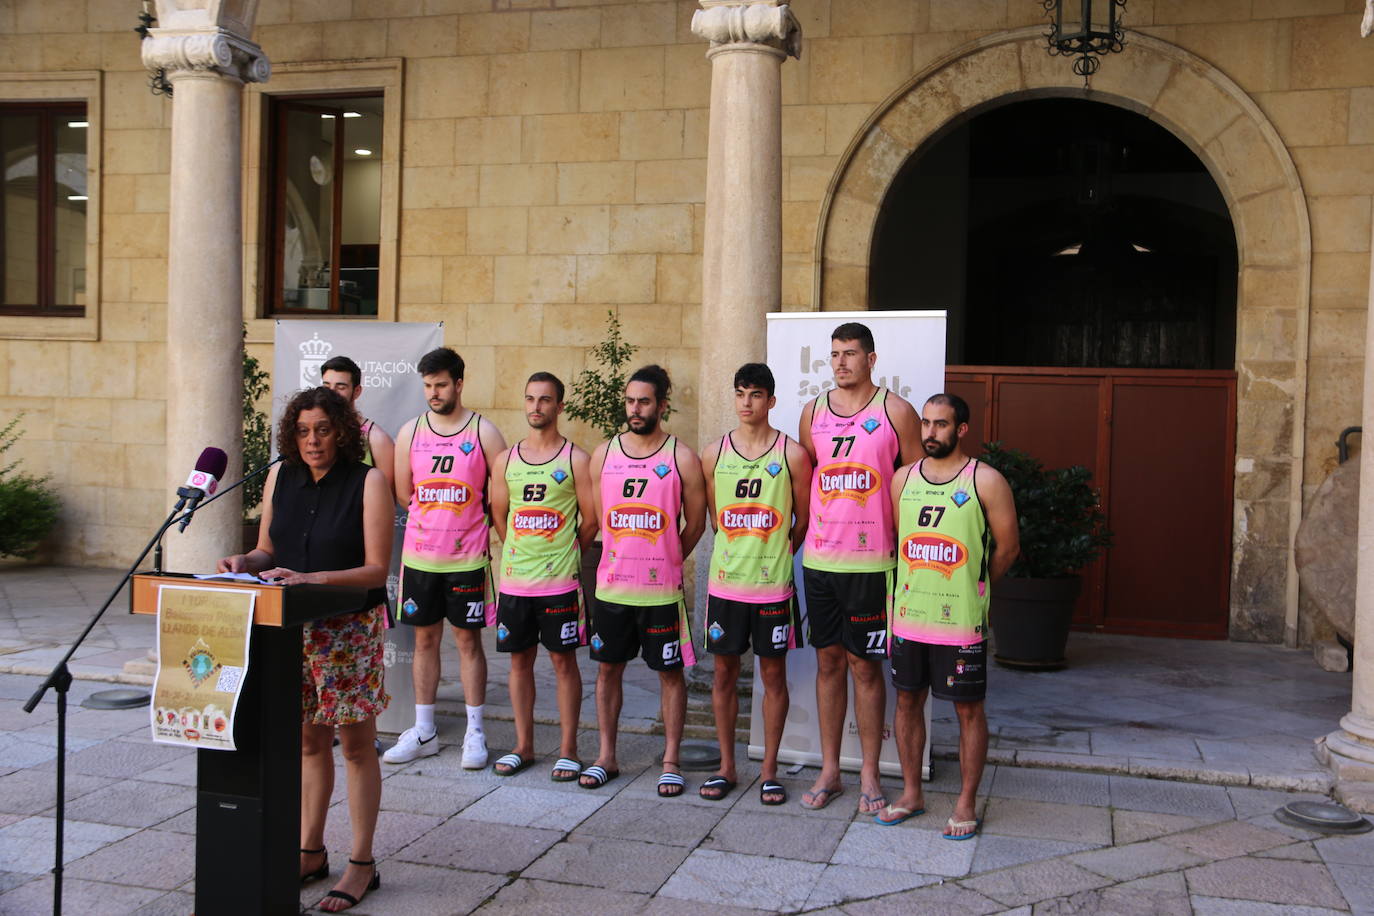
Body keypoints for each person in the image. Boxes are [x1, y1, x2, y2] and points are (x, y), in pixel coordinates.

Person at [217, 386, 391, 913]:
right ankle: (310, 851)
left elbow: (377, 568)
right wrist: (245, 561)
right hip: (291, 627)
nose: (312, 440)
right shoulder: (278, 476)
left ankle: (362, 863)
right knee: (308, 744)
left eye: (322, 429)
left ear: (341, 430)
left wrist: (312, 576)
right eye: (302, 430)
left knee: (356, 746)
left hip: (346, 631)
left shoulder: (369, 481)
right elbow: (268, 547)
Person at [880, 393, 1019, 838]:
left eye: (941, 425)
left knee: (967, 711)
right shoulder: (902, 480)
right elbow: (901, 543)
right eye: (925, 423)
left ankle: (965, 801)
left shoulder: (987, 480)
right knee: (906, 701)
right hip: (909, 617)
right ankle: (910, 793)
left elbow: (1007, 548)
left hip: (959, 621)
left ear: (960, 429)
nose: (929, 433)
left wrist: (975, 588)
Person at [798, 322, 920, 814]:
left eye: (850, 354)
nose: (841, 362)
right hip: (820, 558)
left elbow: (915, 485)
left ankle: (869, 771)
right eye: (834, 355)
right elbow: (805, 476)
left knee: (865, 667)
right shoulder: (812, 412)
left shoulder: (896, 412)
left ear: (872, 358)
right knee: (828, 663)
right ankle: (831, 770)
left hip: (872, 563)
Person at [582, 365, 706, 797]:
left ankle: (670, 760)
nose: (636, 409)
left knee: (670, 674)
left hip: (660, 591)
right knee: (607, 672)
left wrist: (669, 558)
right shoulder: (604, 455)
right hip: (613, 588)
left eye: (645, 402)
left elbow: (696, 524)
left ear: (662, 406)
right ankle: (606, 756)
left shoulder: (681, 457)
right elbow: (598, 521)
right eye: (631, 401)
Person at [382, 347, 507, 768]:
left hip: (467, 559)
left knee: (468, 641)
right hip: (420, 559)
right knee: (424, 640)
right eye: (428, 386)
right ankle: (425, 730)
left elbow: (499, 496)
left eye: (440, 385)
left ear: (459, 383)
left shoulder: (484, 433)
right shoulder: (410, 432)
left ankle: (475, 731)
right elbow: (404, 492)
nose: (433, 393)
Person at [698, 363, 812, 804]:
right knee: (724, 673)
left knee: (772, 676)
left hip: (773, 589)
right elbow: (715, 519)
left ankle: (769, 771)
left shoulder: (792, 455)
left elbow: (801, 521)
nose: (747, 403)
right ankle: (727, 767)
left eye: (756, 395)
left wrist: (776, 553)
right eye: (741, 394)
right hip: (727, 587)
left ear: (771, 401)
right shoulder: (714, 454)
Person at [488, 372, 598, 780]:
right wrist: (518, 551)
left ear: (559, 407)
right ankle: (524, 745)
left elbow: (591, 520)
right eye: (531, 398)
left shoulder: (576, 460)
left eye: (545, 400)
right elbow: (500, 515)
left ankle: (568, 749)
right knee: (519, 664)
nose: (536, 407)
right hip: (516, 582)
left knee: (563, 663)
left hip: (560, 584)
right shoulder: (506, 460)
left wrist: (568, 552)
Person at [321, 355, 397, 495]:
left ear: (356, 391)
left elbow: (386, 499)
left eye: (340, 387)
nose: (331, 393)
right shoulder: (311, 434)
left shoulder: (376, 438)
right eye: (327, 386)